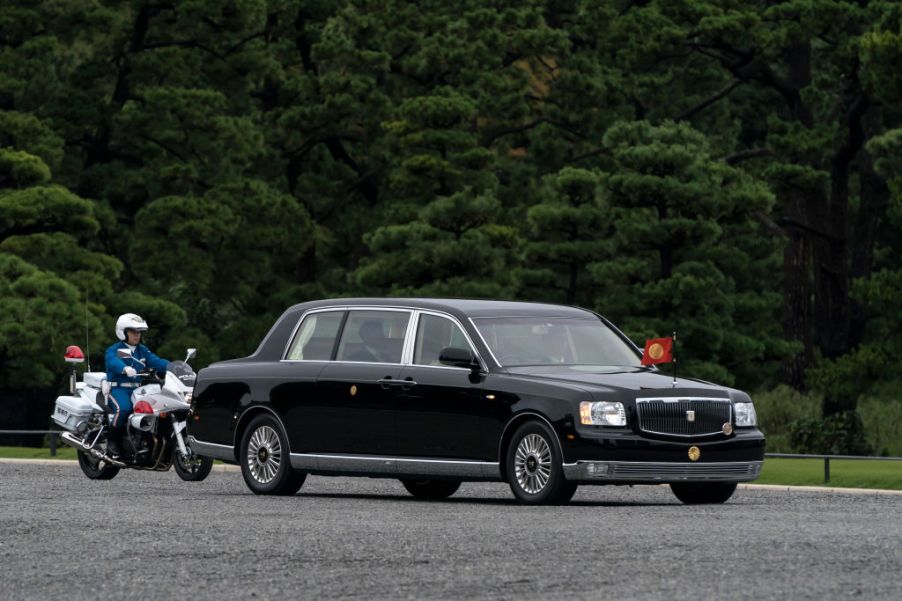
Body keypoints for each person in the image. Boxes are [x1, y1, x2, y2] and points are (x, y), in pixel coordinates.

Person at [104, 313, 169, 458]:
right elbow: (112, 361)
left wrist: (176, 367)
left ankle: (144, 442)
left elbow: (157, 362)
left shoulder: (142, 350)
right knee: (124, 408)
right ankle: (112, 441)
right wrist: (124, 368)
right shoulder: (115, 349)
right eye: (133, 331)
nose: (137, 335)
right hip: (118, 388)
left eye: (139, 332)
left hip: (138, 389)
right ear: (123, 332)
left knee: (155, 408)